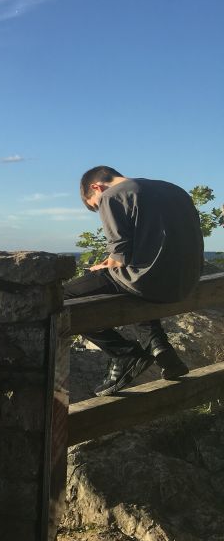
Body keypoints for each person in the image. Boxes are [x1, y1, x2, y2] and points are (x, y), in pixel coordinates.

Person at [64, 166, 204, 397]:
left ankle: (125, 354)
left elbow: (120, 255)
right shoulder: (174, 190)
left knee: (65, 296)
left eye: (95, 206)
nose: (100, 209)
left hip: (149, 281)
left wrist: (105, 266)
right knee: (127, 284)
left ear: (96, 187)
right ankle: (160, 348)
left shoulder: (112, 195)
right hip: (186, 281)